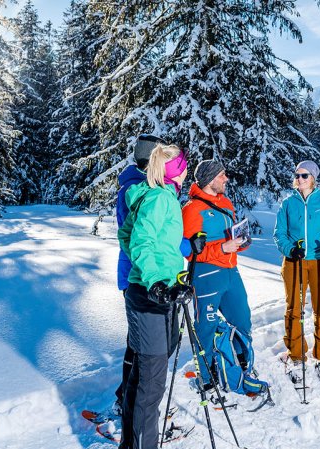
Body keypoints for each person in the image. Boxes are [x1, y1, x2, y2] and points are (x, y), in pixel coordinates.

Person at [117, 143, 191, 449]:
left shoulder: (159, 195)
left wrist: (171, 278)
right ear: (176, 171)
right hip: (150, 295)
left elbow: (131, 238)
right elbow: (141, 241)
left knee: (144, 376)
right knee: (151, 383)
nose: (188, 170)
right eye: (185, 165)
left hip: (154, 291)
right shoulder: (160, 198)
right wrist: (157, 281)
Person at [181, 159, 252, 392]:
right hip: (207, 275)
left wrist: (239, 243)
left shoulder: (226, 203)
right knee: (205, 327)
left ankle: (242, 367)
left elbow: (228, 237)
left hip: (232, 272)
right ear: (210, 179)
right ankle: (206, 376)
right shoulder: (191, 209)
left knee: (242, 320)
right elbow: (190, 252)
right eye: (222, 175)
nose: (226, 179)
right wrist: (222, 248)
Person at [273, 160, 320, 384]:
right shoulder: (288, 203)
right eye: (297, 175)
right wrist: (290, 249)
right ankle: (296, 356)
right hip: (295, 262)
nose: (299, 179)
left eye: (304, 176)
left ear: (313, 178)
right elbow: (279, 233)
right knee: (294, 309)